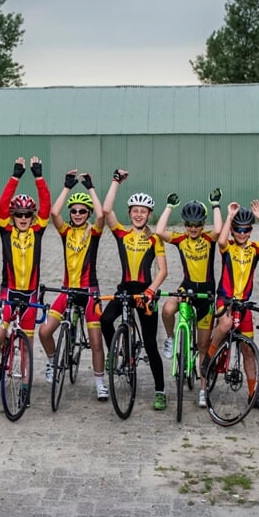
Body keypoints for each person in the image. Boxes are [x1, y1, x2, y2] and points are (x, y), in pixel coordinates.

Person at [0, 156, 51, 407]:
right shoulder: (6, 230)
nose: (23, 218)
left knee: (28, 347)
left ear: (32, 217)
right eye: (18, 214)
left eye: (27, 215)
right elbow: (0, 207)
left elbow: (46, 206)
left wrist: (39, 177)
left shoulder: (38, 230)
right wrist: (15, 176)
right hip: (8, 293)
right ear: (13, 216)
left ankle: (24, 388)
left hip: (30, 295)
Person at [101, 170, 168, 409]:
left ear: (149, 214)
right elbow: (106, 210)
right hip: (124, 290)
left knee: (150, 345)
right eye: (135, 211)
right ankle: (114, 352)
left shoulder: (155, 239)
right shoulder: (121, 233)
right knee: (105, 319)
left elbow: (162, 271)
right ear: (129, 213)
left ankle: (160, 390)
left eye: (144, 211)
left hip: (145, 293)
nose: (139, 215)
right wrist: (115, 182)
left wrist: (151, 291)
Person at [38, 171, 106, 399]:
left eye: (82, 211)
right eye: (74, 211)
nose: (77, 214)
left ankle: (99, 383)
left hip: (89, 292)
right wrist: (66, 186)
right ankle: (52, 362)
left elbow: (101, 215)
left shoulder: (93, 232)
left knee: (96, 342)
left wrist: (90, 188)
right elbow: (54, 213)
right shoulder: (66, 231)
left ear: (87, 213)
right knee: (45, 331)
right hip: (67, 290)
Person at [205, 202, 259, 412]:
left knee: (248, 350)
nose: (242, 233)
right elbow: (220, 239)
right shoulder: (227, 247)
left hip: (243, 304)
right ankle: (209, 359)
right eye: (238, 229)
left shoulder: (255, 250)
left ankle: (252, 394)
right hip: (225, 299)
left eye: (246, 230)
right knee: (225, 323)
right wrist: (229, 217)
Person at [152, 190, 221, 406]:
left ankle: (202, 390)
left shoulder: (209, 238)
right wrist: (169, 206)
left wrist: (216, 205)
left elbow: (219, 230)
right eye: (189, 224)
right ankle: (172, 339)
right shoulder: (181, 239)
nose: (193, 228)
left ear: (203, 223)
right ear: (184, 224)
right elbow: (160, 230)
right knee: (167, 309)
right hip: (187, 287)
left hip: (207, 294)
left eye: (197, 224)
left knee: (202, 347)